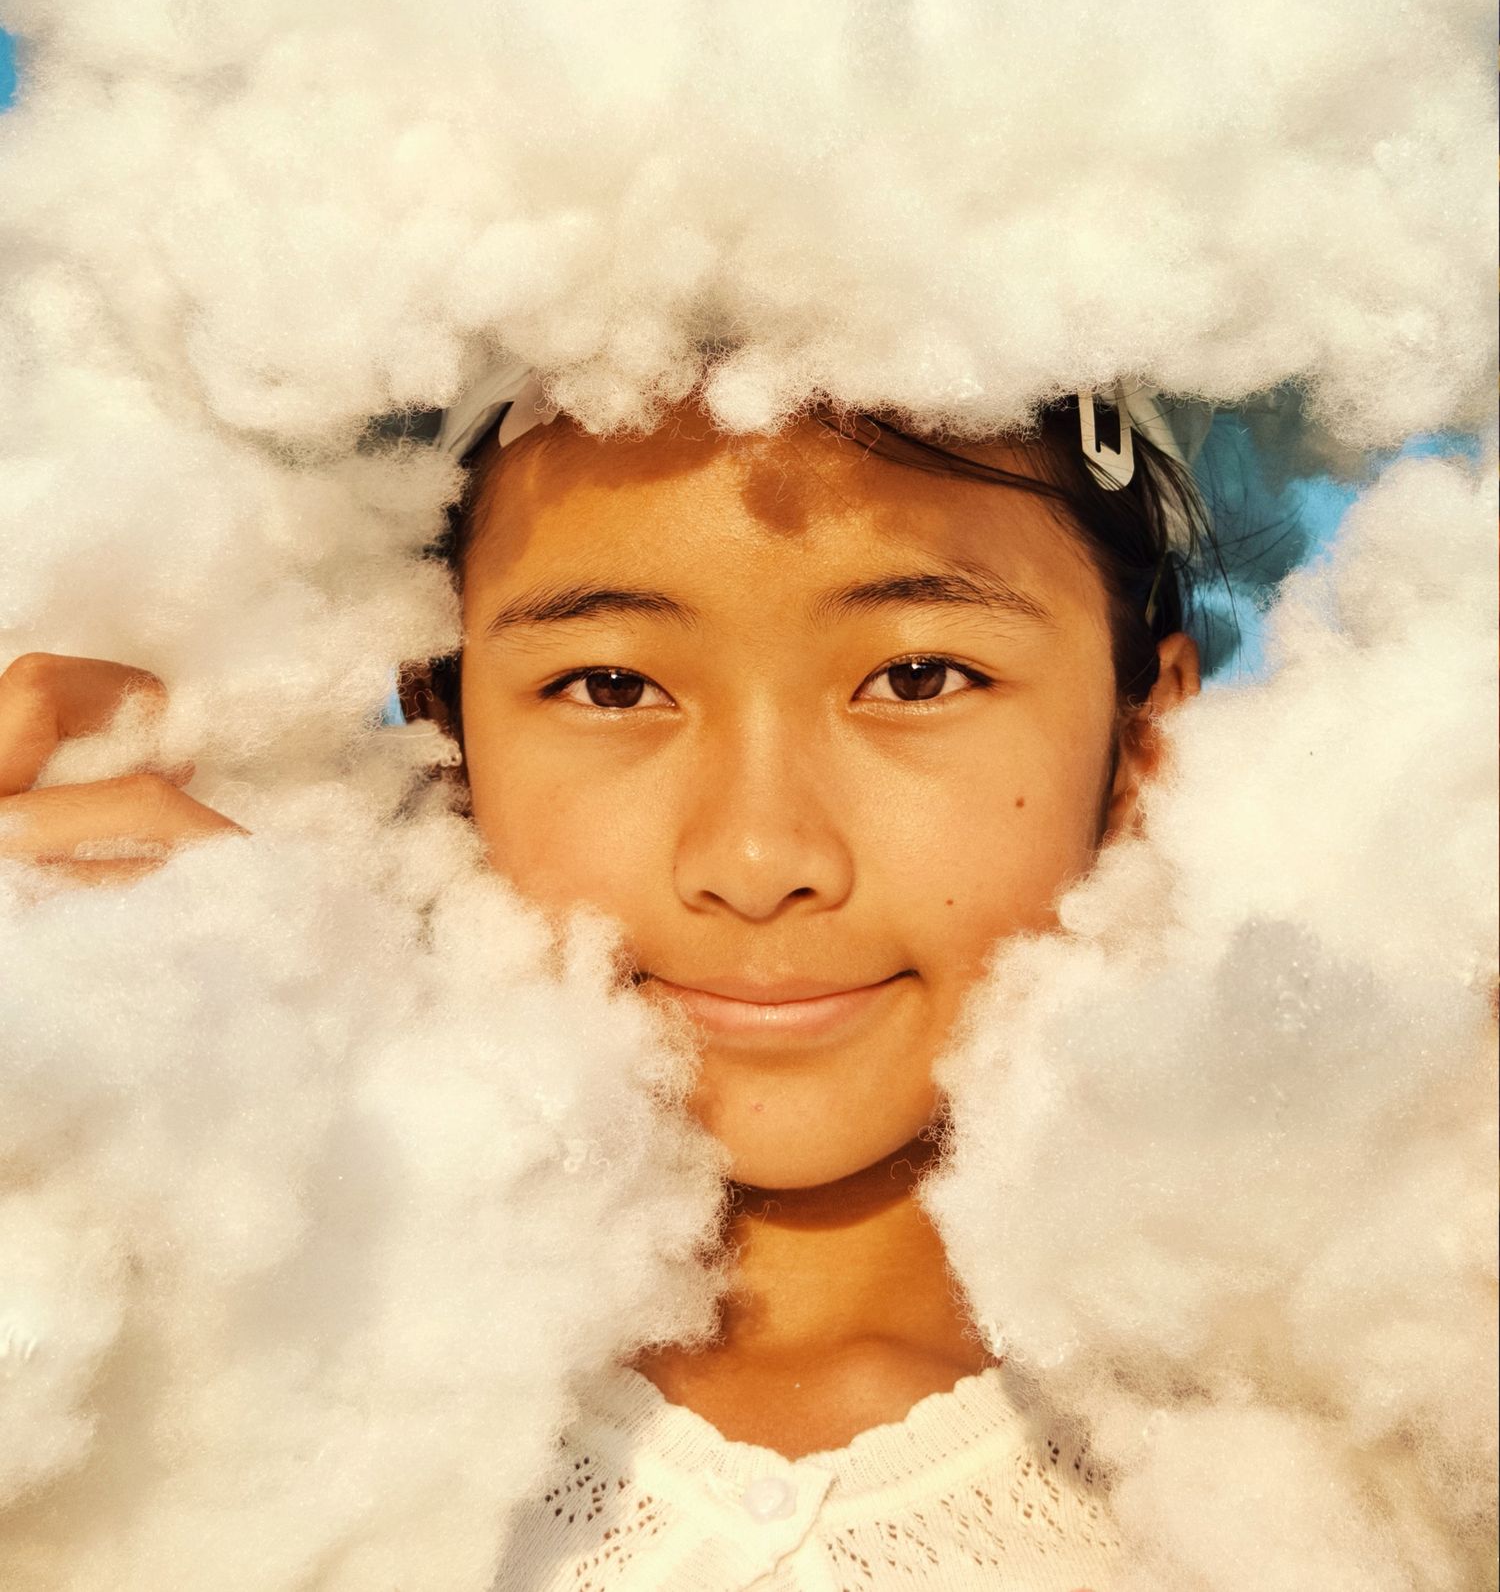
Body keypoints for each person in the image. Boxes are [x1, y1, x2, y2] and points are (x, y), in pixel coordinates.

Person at [0, 379, 1208, 1589]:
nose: (756, 858)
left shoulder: (1335, 1421)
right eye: (612, 687)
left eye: (918, 677)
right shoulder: (172, 1362)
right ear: (444, 736)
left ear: (1146, 736)